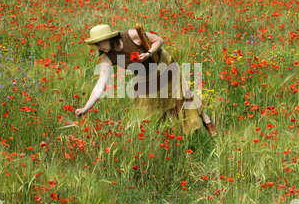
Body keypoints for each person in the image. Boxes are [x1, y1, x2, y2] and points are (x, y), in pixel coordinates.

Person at [74, 24, 217, 137]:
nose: (97, 47)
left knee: (182, 94)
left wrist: (148, 54)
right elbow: (100, 85)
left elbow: (159, 40)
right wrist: (86, 107)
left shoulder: (131, 35)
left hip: (163, 64)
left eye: (99, 43)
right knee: (147, 108)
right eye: (95, 45)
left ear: (109, 38)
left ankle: (207, 121)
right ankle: (165, 136)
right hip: (145, 76)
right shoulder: (108, 59)